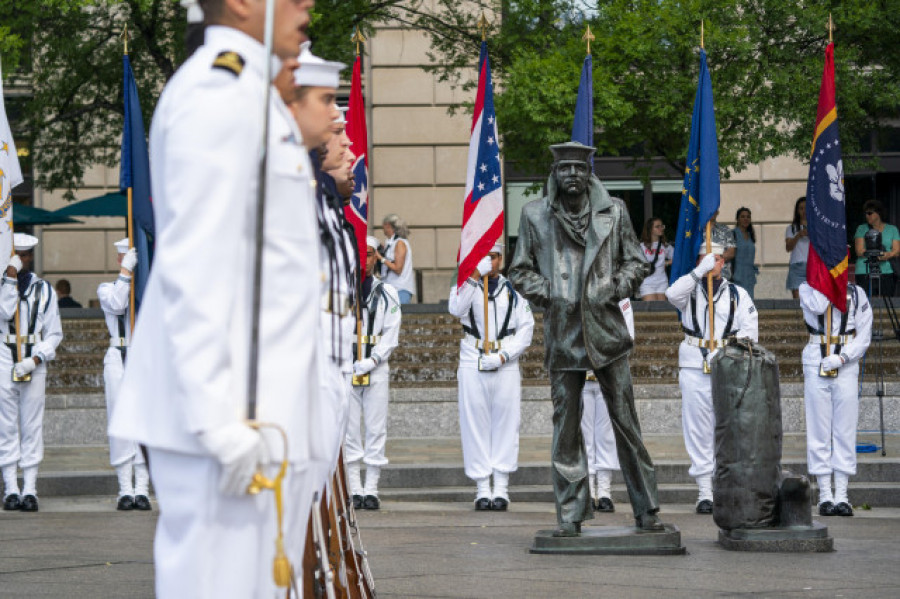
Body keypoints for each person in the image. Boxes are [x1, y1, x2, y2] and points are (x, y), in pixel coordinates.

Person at [108, 1, 324, 596]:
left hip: (258, 423)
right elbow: (192, 268)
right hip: (226, 429)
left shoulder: (249, 96)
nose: (307, 3)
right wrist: (219, 426)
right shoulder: (219, 94)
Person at [509, 141, 663, 534]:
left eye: (579, 169)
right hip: (563, 333)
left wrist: (615, 286)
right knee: (566, 428)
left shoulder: (615, 211)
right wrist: (549, 293)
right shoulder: (533, 215)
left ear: (589, 172)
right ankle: (571, 513)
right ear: (555, 173)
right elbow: (519, 270)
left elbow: (637, 261)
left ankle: (647, 508)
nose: (572, 176)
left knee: (626, 422)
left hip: (606, 331)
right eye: (565, 169)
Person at [665, 242, 758, 514]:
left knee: (726, 427)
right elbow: (671, 294)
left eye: (716, 258)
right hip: (694, 364)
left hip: (726, 364)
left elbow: (751, 331)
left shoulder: (737, 294)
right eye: (706, 258)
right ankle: (705, 490)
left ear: (723, 262)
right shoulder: (689, 290)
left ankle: (723, 486)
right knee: (697, 428)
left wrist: (727, 349)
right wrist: (698, 272)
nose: (712, 263)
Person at [450, 242, 534, 511]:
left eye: (494, 257)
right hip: (473, 359)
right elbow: (455, 309)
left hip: (503, 360)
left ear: (502, 259)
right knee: (475, 423)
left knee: (506, 423)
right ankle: (482, 488)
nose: (490, 261)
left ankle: (501, 487)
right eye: (485, 257)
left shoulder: (514, 291)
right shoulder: (466, 284)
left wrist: (503, 356)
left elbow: (526, 329)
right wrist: (474, 276)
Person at [1, 233, 63, 513]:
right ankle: (11, 488)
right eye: (19, 255)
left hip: (33, 360)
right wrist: (10, 278)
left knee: (32, 427)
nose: (23, 259)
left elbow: (54, 333)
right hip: (4, 357)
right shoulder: (3, 285)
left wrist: (36, 358)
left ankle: (30, 488)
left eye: (26, 256)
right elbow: (4, 312)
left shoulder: (44, 289)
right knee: (6, 425)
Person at [799, 281, 872, 517]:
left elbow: (864, 334)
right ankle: (824, 495)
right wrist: (825, 281)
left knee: (845, 429)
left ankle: (841, 494)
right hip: (816, 358)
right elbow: (819, 307)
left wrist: (843, 358)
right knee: (819, 430)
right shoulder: (807, 288)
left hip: (845, 363)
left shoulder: (857, 293)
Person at [345, 236, 401, 511]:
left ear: (376, 257)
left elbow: (391, 332)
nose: (363, 259)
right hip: (348, 365)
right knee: (350, 429)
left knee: (376, 428)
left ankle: (372, 488)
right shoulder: (343, 291)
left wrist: (374, 359)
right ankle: (355, 487)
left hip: (375, 367)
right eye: (358, 254)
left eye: (368, 254)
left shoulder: (387, 292)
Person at [97, 239, 150, 511]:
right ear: (120, 260)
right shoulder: (107, 288)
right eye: (124, 259)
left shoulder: (148, 291)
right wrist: (126, 274)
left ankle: (142, 488)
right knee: (120, 422)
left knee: (143, 422)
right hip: (118, 357)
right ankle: (124, 489)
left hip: (144, 358)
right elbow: (118, 305)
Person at [579, 297, 633, 513]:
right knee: (585, 435)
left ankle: (604, 490)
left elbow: (627, 336)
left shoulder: (619, 297)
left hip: (608, 373)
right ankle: (588, 489)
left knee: (606, 435)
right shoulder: (576, 291)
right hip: (582, 374)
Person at [854, 199, 900, 297]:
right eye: (866, 213)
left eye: (870, 213)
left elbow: (897, 251)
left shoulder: (892, 229)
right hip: (864, 270)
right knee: (864, 304)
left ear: (878, 213)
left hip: (886, 271)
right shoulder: (862, 228)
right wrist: (876, 254)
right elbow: (859, 251)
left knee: (886, 302)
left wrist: (887, 255)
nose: (867, 216)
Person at [377, 213, 415, 303]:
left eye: (383, 227)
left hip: (399, 289)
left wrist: (380, 258)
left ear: (387, 225)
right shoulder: (392, 242)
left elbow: (398, 269)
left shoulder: (400, 243)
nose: (383, 229)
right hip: (391, 288)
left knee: (398, 315)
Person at [638, 217, 673, 301]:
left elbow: (677, 257)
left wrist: (667, 263)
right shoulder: (641, 246)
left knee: (662, 310)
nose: (661, 228)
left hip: (662, 282)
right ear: (650, 229)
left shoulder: (665, 245)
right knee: (651, 311)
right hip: (647, 282)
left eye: (662, 226)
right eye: (657, 226)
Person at [731, 207, 759, 298]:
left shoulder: (751, 235)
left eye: (748, 217)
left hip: (749, 277)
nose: (746, 219)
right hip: (737, 276)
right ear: (737, 219)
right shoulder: (733, 234)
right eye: (742, 217)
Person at [785, 196, 810, 299]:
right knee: (797, 301)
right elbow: (788, 247)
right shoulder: (791, 228)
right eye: (801, 208)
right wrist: (798, 235)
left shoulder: (817, 227)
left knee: (812, 299)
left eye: (806, 208)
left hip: (812, 266)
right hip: (796, 266)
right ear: (797, 211)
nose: (804, 211)